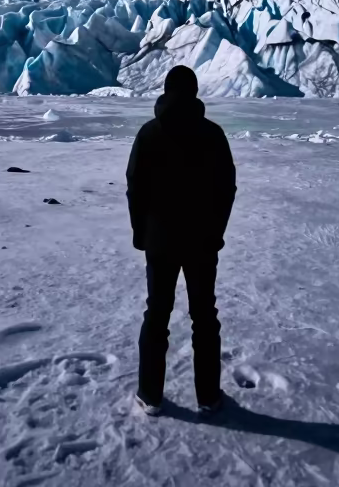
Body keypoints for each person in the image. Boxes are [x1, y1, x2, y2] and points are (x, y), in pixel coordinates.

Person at [126, 65, 237, 416]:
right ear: (194, 92)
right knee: (205, 317)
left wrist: (141, 233)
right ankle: (208, 397)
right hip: (203, 242)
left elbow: (135, 187)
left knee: (156, 314)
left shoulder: (149, 133)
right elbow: (226, 189)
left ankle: (149, 395)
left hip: (160, 242)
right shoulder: (213, 134)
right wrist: (217, 232)